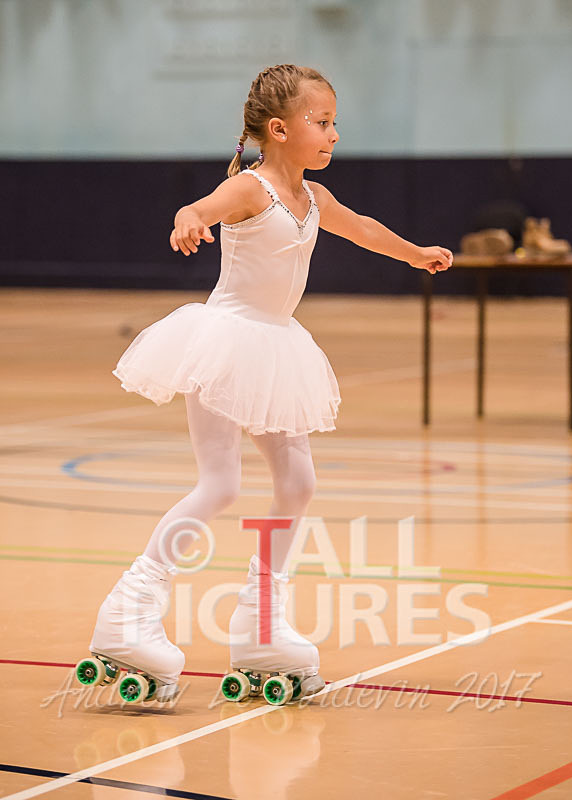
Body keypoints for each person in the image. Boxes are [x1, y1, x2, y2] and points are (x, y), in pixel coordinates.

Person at [81, 64, 453, 705]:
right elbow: (198, 207)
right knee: (220, 484)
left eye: (335, 121)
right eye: (322, 121)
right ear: (279, 130)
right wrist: (188, 223)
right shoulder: (252, 189)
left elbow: (363, 227)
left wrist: (415, 253)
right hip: (225, 342)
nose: (334, 133)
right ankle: (129, 611)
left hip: (277, 347)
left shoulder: (315, 199)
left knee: (298, 481)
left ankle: (260, 624)